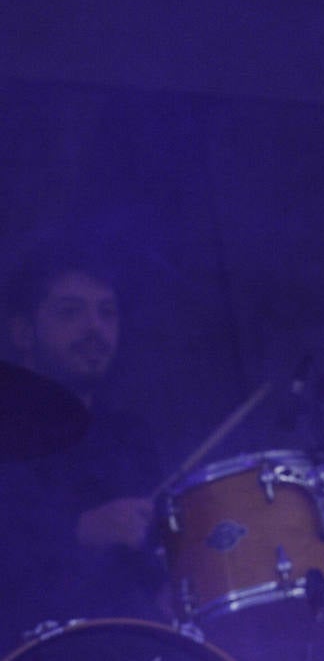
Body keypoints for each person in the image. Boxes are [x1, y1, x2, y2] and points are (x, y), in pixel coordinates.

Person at [0, 245, 166, 646]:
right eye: (70, 312)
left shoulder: (130, 436)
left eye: (107, 313)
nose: (95, 328)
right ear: (23, 332)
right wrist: (79, 531)